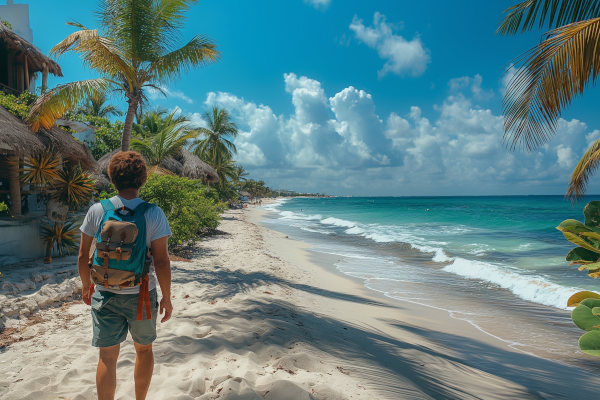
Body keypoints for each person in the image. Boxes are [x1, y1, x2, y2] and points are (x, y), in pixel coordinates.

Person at [77, 151, 173, 400]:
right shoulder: (153, 213)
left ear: (112, 178)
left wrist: (87, 286)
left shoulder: (97, 210)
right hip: (141, 295)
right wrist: (167, 297)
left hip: (105, 294)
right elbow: (162, 261)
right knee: (143, 351)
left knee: (107, 357)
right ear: (143, 179)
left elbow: (82, 257)